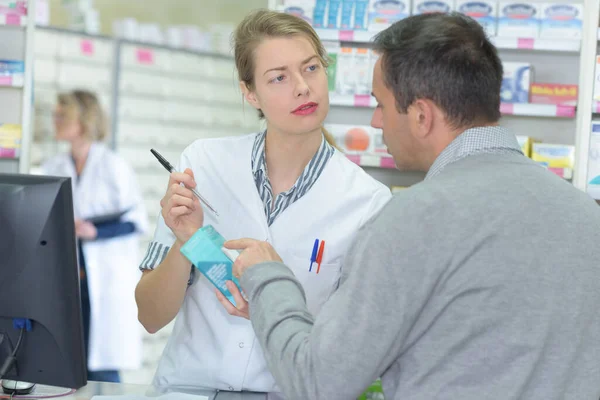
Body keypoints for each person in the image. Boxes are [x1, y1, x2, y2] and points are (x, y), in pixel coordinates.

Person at [226, 13, 600, 400]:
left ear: (422, 116)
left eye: (381, 104)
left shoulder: (412, 220)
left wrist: (268, 278)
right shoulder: (588, 217)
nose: (375, 121)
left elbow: (319, 381)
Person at [134, 9, 392, 393]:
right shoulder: (203, 165)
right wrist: (189, 241)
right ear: (250, 92)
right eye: (279, 77)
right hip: (191, 389)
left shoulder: (367, 201)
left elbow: (356, 349)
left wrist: (274, 307)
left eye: (311, 69)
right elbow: (150, 316)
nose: (302, 87)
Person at [42, 90, 148, 383]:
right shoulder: (53, 167)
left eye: (63, 115)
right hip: (66, 282)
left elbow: (136, 221)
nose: (56, 119)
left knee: (101, 369)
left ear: (83, 121)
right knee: (64, 365)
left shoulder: (114, 166)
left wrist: (95, 231)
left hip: (103, 280)